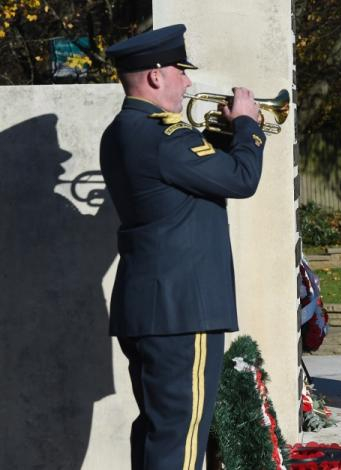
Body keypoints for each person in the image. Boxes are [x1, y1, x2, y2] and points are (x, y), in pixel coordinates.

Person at [100, 24, 266, 470]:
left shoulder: (122, 132)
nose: (187, 82)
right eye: (180, 71)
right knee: (182, 440)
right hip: (181, 311)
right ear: (156, 76)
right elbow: (241, 179)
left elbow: (201, 171)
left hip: (151, 308)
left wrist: (228, 135)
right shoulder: (163, 138)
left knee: (160, 432)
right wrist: (248, 124)